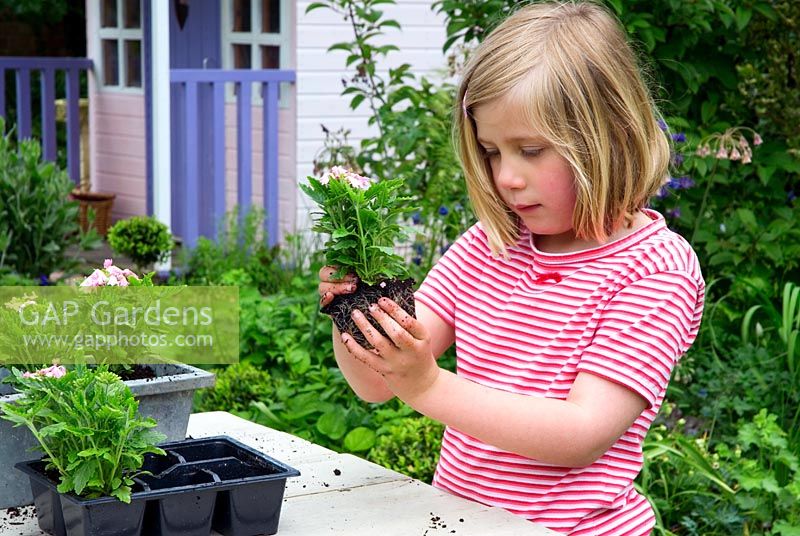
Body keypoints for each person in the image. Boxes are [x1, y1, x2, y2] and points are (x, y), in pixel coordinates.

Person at [318, 1, 704, 534]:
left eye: (530, 150)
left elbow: (580, 434)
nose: (506, 177)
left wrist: (428, 386)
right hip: (462, 522)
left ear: (609, 138)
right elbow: (378, 384)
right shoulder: (489, 246)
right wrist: (352, 316)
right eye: (492, 151)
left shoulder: (654, 270)